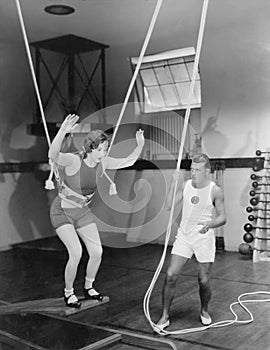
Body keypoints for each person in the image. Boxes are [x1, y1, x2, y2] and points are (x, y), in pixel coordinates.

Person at [48, 114, 145, 308]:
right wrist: (62, 131)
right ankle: (69, 292)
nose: (104, 153)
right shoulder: (74, 161)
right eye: (100, 149)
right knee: (75, 252)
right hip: (62, 212)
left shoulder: (104, 162)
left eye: (106, 149)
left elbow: (128, 161)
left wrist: (140, 145)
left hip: (82, 212)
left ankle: (89, 287)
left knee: (96, 252)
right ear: (91, 148)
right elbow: (53, 155)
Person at [155, 153, 226, 331]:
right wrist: (173, 182)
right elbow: (169, 205)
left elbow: (223, 217)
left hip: (203, 237)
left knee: (203, 280)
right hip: (184, 236)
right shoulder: (186, 186)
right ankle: (164, 316)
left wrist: (211, 224)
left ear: (207, 171)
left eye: (197, 170)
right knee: (170, 275)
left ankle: (204, 310)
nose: (193, 173)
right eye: (192, 169)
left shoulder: (215, 190)